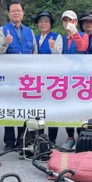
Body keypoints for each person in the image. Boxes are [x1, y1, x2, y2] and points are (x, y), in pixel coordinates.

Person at [0, 1, 38, 150]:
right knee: (9, 109)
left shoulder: (29, 31)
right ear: (9, 14)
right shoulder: (2, 30)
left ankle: (22, 140)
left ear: (23, 13)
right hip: (9, 78)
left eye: (18, 11)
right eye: (13, 11)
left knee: (23, 110)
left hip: (25, 79)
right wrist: (5, 43)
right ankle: (9, 141)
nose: (16, 13)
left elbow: (35, 53)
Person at [59, 10, 89, 149]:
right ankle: (70, 136)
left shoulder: (83, 35)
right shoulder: (61, 38)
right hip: (65, 78)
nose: (67, 23)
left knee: (80, 108)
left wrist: (75, 32)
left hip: (80, 79)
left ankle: (80, 136)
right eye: (65, 20)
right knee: (67, 109)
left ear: (75, 22)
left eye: (70, 20)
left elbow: (82, 47)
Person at [33, 11, 62, 144]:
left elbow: (59, 55)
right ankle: (40, 138)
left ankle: (52, 140)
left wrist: (53, 47)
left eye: (46, 21)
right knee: (39, 109)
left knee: (52, 109)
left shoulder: (57, 37)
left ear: (51, 24)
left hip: (52, 79)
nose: (43, 24)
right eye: (40, 21)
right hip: (38, 78)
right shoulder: (35, 37)